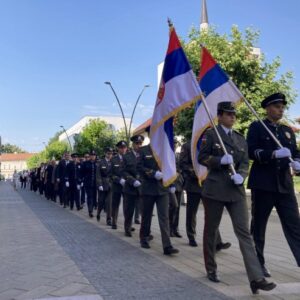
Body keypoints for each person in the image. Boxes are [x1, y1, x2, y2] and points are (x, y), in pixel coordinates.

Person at [198, 101, 276, 294]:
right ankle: (211, 268)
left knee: (245, 235)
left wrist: (242, 174)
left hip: (236, 191)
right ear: (219, 115)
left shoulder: (241, 139)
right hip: (215, 190)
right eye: (228, 114)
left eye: (234, 114)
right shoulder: (211, 134)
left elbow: (244, 162)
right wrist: (218, 161)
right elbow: (202, 158)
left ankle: (256, 278)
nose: (232, 117)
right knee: (211, 230)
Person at [247, 92, 300, 277]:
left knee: (295, 225)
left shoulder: (287, 131)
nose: (281, 110)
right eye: (277, 106)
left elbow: (296, 152)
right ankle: (258, 264)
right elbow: (251, 151)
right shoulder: (257, 127)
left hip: (284, 185)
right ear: (268, 108)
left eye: (283, 107)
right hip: (263, 185)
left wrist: (297, 163)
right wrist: (272, 154)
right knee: (259, 226)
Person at [180, 140, 230, 250]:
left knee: (211, 214)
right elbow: (183, 163)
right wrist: (197, 173)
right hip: (194, 184)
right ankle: (191, 236)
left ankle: (217, 241)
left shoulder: (210, 144)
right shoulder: (188, 145)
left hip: (209, 184)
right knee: (191, 213)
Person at [138, 141, 179, 256]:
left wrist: (172, 184)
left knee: (164, 217)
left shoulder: (165, 150)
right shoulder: (143, 150)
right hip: (148, 188)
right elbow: (139, 166)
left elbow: (170, 167)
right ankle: (144, 237)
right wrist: (152, 173)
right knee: (147, 215)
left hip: (162, 189)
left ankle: (167, 246)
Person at [122, 135, 143, 236]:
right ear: (133, 144)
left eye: (140, 143)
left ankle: (145, 232)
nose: (138, 145)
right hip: (130, 188)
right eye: (137, 143)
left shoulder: (145, 155)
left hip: (143, 188)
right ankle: (127, 229)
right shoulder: (127, 156)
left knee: (145, 211)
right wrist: (132, 181)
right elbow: (124, 172)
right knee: (129, 210)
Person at [110, 141, 127, 229]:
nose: (123, 149)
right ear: (118, 149)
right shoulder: (113, 159)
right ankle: (114, 222)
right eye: (121, 148)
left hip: (127, 185)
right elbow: (111, 174)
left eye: (124, 147)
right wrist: (119, 180)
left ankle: (127, 225)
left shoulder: (129, 158)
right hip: (117, 185)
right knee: (115, 204)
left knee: (127, 205)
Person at [96, 147, 113, 225]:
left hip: (110, 185)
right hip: (103, 185)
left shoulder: (113, 162)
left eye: (111, 154)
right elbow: (98, 174)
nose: (109, 155)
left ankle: (108, 219)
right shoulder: (101, 162)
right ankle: (98, 213)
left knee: (109, 203)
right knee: (101, 202)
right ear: (105, 154)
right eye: (108, 153)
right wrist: (99, 184)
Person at [82, 150, 97, 217]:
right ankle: (90, 211)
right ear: (90, 156)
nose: (93, 156)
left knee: (94, 197)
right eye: (91, 155)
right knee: (89, 197)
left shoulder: (97, 163)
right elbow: (81, 172)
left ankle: (94, 206)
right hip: (88, 182)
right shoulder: (85, 163)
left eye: (94, 155)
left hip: (96, 183)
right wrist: (82, 180)